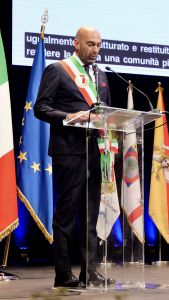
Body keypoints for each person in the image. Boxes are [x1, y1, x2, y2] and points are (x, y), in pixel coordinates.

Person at [34, 27, 114, 288]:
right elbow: (41, 108)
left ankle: (89, 272)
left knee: (91, 216)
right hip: (69, 153)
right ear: (76, 44)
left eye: (99, 45)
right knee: (67, 215)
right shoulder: (58, 70)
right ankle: (63, 274)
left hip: (95, 153)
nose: (95, 49)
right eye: (90, 44)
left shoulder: (102, 76)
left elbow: (107, 116)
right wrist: (68, 117)